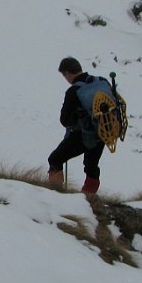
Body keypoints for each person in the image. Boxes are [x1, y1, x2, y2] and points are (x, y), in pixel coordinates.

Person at [47, 57, 105, 194]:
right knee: (91, 165)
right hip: (104, 131)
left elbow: (64, 120)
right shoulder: (101, 81)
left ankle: (56, 193)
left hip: (82, 135)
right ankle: (89, 198)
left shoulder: (74, 91)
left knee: (55, 159)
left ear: (67, 73)